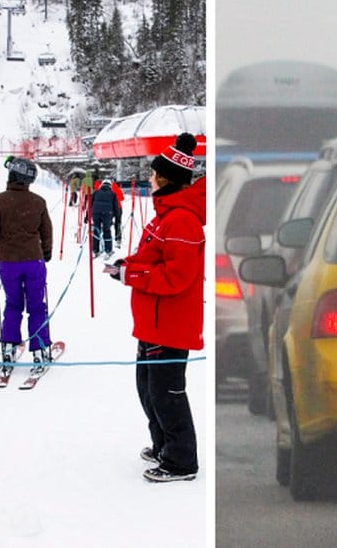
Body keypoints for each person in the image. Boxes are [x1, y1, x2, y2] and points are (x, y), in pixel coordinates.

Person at [108, 133, 205, 482]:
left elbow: (176, 276)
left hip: (170, 324)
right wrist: (126, 266)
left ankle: (181, 460)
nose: (148, 181)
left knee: (167, 393)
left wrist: (131, 273)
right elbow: (153, 260)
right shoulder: (164, 216)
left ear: (165, 180)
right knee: (148, 388)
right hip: (152, 321)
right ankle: (164, 443)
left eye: (152, 176)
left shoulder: (182, 219)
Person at [0, 157, 55, 370]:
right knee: (37, 305)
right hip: (33, 259)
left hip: (8, 260)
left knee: (13, 303)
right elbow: (46, 229)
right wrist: (47, 250)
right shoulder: (38, 201)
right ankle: (40, 347)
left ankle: (8, 345)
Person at [90, 179, 121, 257]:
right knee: (106, 230)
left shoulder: (96, 192)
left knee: (96, 230)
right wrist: (118, 217)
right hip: (107, 214)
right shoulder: (113, 194)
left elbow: (90, 204)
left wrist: (87, 216)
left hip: (95, 213)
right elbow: (116, 207)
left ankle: (95, 250)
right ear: (110, 186)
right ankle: (108, 250)